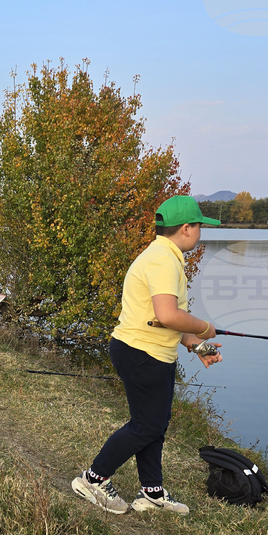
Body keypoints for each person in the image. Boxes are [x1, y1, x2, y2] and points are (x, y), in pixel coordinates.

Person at [71, 195, 223, 516]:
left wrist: (199, 346)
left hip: (155, 353)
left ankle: (152, 492)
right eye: (199, 226)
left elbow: (166, 319)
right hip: (140, 353)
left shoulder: (165, 257)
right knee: (146, 425)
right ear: (186, 229)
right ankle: (93, 479)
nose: (201, 232)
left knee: (155, 424)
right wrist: (207, 327)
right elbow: (168, 315)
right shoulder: (162, 261)